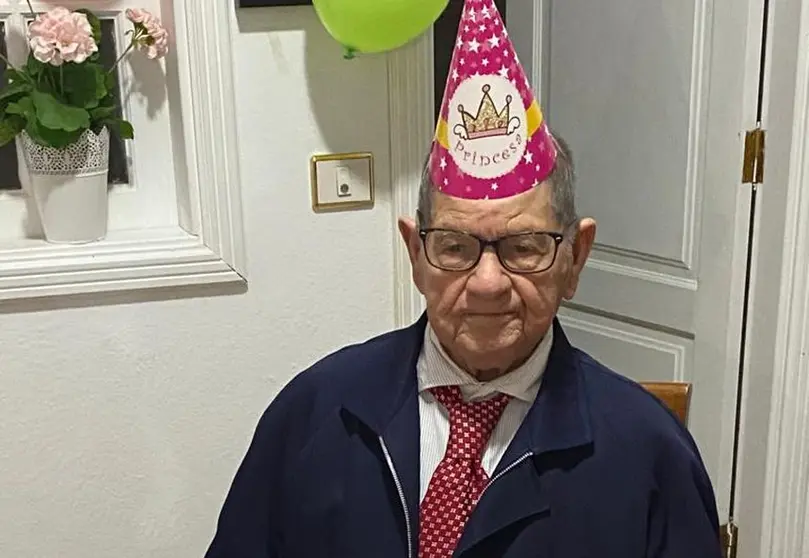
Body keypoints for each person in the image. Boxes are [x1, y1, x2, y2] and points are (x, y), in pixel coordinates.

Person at [204, 0, 722, 556]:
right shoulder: (315, 413)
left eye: (524, 248)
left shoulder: (650, 455)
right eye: (456, 247)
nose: (488, 283)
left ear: (575, 257)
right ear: (415, 252)